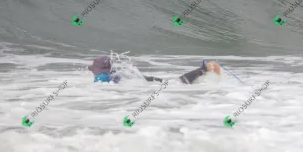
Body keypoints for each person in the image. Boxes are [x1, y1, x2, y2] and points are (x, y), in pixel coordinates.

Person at [88, 56, 222, 84]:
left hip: (155, 84)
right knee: (179, 81)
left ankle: (207, 67)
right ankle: (207, 68)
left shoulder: (101, 77)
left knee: (180, 82)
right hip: (154, 81)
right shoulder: (118, 73)